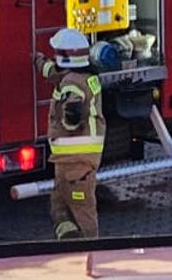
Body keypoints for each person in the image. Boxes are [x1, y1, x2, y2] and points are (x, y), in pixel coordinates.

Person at [37, 28, 104, 239]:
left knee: (83, 213)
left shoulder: (72, 83)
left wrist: (67, 120)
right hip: (68, 161)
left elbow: (73, 113)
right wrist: (38, 61)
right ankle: (68, 244)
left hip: (76, 161)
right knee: (59, 207)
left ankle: (89, 249)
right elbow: (54, 72)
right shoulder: (79, 75)